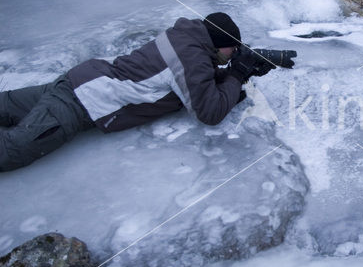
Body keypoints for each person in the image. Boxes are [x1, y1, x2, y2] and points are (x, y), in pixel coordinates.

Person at [0, 12, 271, 172]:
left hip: (76, 81)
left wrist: (237, 76)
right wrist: (236, 74)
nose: (234, 52)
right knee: (12, 150)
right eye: (232, 48)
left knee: (6, 105)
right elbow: (209, 112)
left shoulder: (186, 40)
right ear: (218, 43)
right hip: (80, 102)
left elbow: (191, 79)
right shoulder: (191, 57)